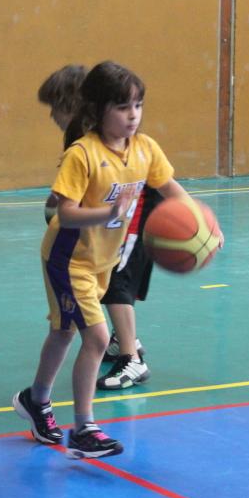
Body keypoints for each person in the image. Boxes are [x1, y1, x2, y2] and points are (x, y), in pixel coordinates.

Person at [14, 61, 199, 459]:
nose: (132, 115)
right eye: (122, 107)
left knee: (63, 333)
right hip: (68, 259)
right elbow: (65, 213)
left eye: (138, 105)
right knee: (97, 338)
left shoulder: (146, 149)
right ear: (97, 110)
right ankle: (85, 427)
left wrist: (198, 223)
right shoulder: (82, 154)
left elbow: (170, 189)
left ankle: (37, 400)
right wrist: (109, 213)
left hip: (102, 259)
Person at [37, 65, 161, 391]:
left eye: (56, 107)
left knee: (117, 275)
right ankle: (121, 339)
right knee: (100, 279)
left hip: (136, 202)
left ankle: (132, 357)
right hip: (112, 211)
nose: (52, 116)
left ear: (74, 104)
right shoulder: (85, 140)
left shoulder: (94, 133)